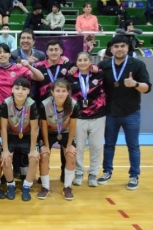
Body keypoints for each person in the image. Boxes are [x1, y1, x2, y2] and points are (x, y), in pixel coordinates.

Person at [97, 35, 152, 190]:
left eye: (122, 46)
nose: (119, 49)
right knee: (108, 145)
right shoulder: (104, 65)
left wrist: (135, 84)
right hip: (110, 112)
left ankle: (134, 175)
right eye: (116, 46)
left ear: (127, 47)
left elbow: (147, 88)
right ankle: (107, 171)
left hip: (131, 112)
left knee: (133, 145)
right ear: (111, 49)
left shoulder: (137, 64)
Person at [64, 52, 106, 187]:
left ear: (90, 61)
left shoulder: (98, 74)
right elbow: (62, 74)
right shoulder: (71, 76)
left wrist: (95, 68)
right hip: (79, 116)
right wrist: (70, 65)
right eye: (79, 60)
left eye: (85, 60)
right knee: (79, 147)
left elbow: (104, 73)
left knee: (96, 147)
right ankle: (79, 173)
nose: (82, 62)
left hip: (98, 116)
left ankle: (93, 174)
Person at [0, 77, 39, 201]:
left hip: (27, 136)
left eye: (24, 89)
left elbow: (34, 129)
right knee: (6, 159)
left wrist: (33, 149)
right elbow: (3, 128)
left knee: (34, 158)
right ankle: (10, 185)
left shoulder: (32, 104)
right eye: (17, 88)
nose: (20, 91)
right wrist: (5, 150)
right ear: (12, 90)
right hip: (11, 136)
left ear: (28, 91)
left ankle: (26, 186)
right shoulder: (6, 103)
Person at [39, 79, 78, 200]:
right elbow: (43, 126)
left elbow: (72, 126)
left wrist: (70, 144)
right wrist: (46, 145)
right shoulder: (44, 105)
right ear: (52, 92)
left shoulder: (74, 105)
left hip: (65, 132)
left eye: (63, 91)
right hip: (49, 132)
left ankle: (67, 187)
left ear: (68, 92)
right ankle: (45, 187)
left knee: (71, 155)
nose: (60, 94)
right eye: (58, 91)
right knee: (44, 155)